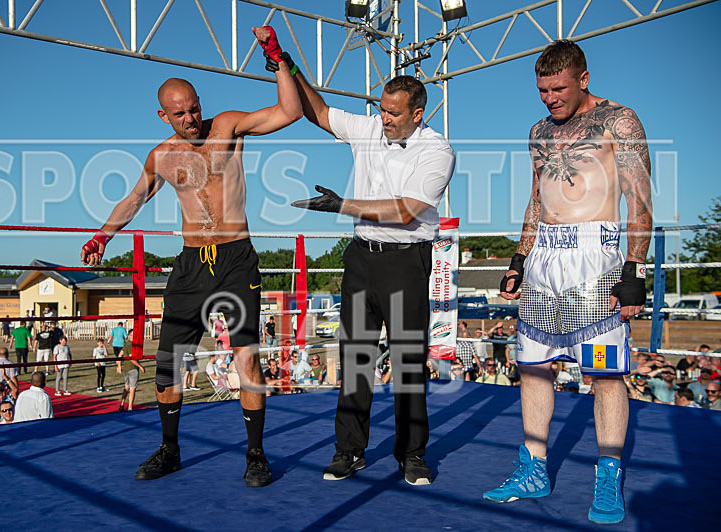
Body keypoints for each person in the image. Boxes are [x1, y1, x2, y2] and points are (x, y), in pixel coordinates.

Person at [79, 26, 301, 487]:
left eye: (195, 108)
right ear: (163, 115)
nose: (191, 118)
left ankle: (256, 455)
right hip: (190, 261)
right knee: (168, 362)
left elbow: (290, 111)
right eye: (180, 113)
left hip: (236, 258)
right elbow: (135, 199)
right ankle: (170, 449)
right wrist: (103, 235)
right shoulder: (161, 155)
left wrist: (276, 57)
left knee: (247, 360)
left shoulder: (228, 127)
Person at [484, 40, 653, 526]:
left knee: (604, 372)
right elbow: (536, 198)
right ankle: (533, 468)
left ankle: (608, 471)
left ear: (583, 78)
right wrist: (519, 256)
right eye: (542, 90)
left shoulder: (620, 120)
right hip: (543, 261)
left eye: (558, 88)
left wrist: (634, 271)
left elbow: (639, 198)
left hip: (595, 259)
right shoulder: (538, 130)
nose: (549, 98)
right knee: (534, 367)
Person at [290, 65, 455, 485]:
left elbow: (404, 212)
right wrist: (291, 68)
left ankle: (412, 454)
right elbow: (319, 112)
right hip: (361, 258)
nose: (384, 119)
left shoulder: (437, 151)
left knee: (408, 363)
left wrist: (343, 205)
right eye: (382, 110)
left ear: (418, 114)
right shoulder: (368, 129)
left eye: (394, 114)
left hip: (406, 262)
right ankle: (348, 451)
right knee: (356, 359)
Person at [117, 329, 146, 411]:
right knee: (132, 388)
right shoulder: (130, 345)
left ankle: (122, 404)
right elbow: (131, 358)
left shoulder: (126, 344)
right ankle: (130, 407)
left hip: (126, 368)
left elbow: (119, 355)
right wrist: (140, 366)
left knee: (126, 387)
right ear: (129, 335)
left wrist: (119, 366)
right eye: (133, 335)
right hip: (132, 369)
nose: (134, 337)